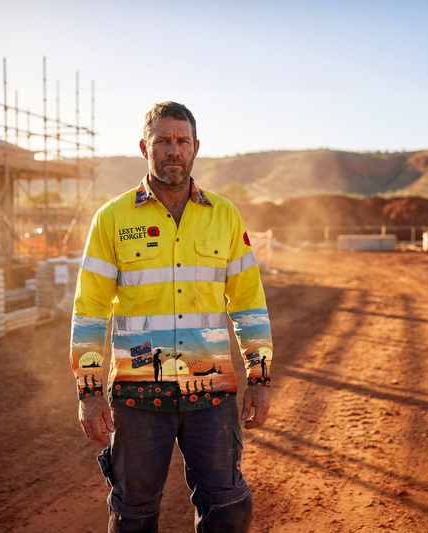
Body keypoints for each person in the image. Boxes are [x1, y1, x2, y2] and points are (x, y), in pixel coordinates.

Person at [69, 102, 274, 533]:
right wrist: (88, 390)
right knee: (133, 515)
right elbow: (89, 313)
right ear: (145, 147)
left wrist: (260, 379)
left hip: (211, 395)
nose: (173, 150)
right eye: (162, 140)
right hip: (137, 397)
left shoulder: (225, 216)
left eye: (181, 141)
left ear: (196, 148)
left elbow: (248, 305)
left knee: (229, 509)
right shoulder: (111, 219)